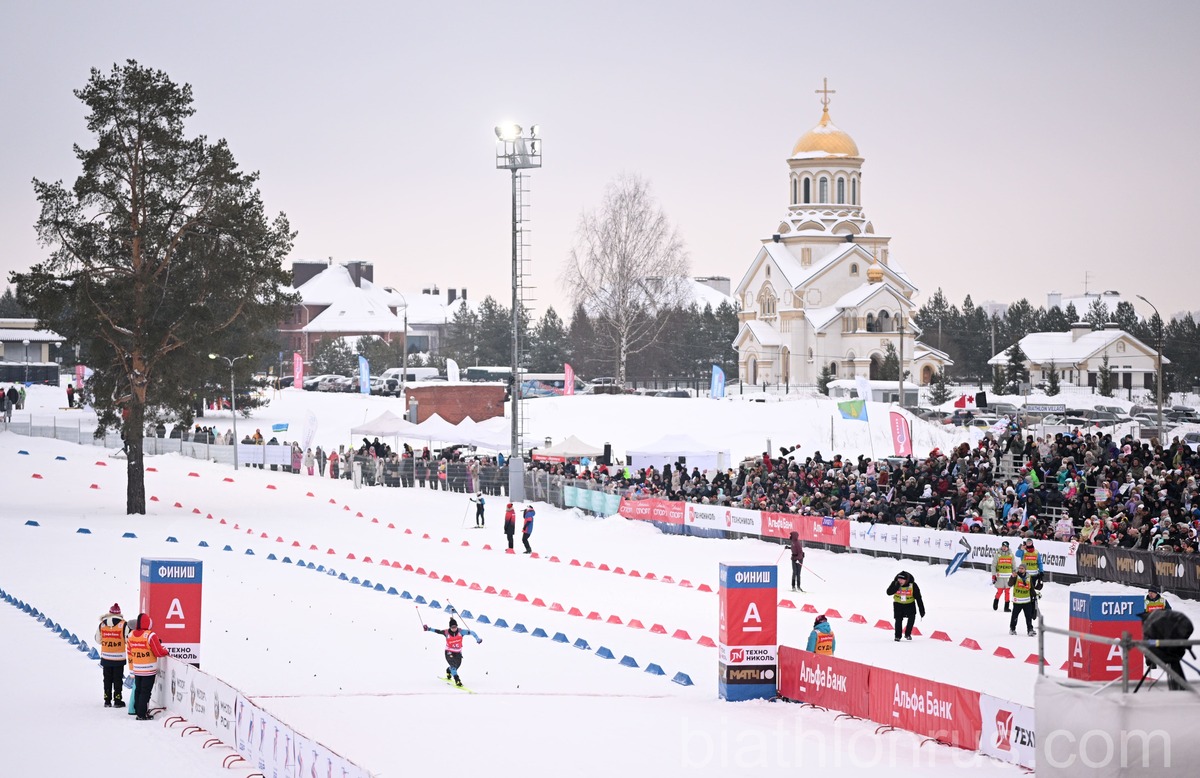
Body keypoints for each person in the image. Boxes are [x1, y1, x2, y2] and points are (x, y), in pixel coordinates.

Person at [126, 612, 168, 720]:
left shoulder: (131, 635)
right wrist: (166, 651)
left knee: (138, 690)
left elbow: (129, 652)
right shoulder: (150, 635)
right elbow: (158, 652)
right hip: (148, 670)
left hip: (137, 668)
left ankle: (137, 710)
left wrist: (131, 669)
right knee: (145, 692)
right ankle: (142, 714)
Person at [423, 617, 481, 687]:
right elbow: (437, 631)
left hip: (458, 652)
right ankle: (457, 680)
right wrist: (428, 629)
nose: (454, 628)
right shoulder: (446, 632)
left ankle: (448, 670)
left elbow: (472, 632)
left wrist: (477, 639)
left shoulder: (461, 632)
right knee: (453, 666)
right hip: (449, 651)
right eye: (452, 627)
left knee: (456, 667)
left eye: (455, 627)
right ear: (450, 627)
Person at [94, 603, 126, 708]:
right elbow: (128, 639)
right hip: (119, 658)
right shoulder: (123, 624)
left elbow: (98, 640)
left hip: (106, 657)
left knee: (107, 678)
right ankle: (117, 700)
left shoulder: (102, 625)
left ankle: (107, 700)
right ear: (120, 613)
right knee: (118, 679)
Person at [886, 570, 925, 642]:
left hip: (910, 604)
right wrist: (896, 587)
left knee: (912, 618)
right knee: (898, 620)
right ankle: (897, 636)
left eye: (902, 579)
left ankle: (907, 634)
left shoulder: (913, 585)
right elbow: (888, 592)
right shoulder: (895, 583)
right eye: (899, 579)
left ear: (906, 580)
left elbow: (918, 598)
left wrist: (921, 610)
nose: (900, 581)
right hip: (898, 604)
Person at [1007, 563, 1039, 637]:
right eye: (1019, 568)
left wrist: (1034, 595)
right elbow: (1010, 584)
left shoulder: (1028, 577)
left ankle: (1030, 630)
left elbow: (1031, 588)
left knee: (1028, 616)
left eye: (1022, 568)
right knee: (1015, 616)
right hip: (1017, 601)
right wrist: (1012, 577)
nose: (1020, 570)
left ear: (1025, 569)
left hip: (1027, 601)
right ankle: (1012, 629)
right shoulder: (1016, 576)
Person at [991, 540, 1015, 612]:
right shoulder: (997, 555)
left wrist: (1014, 574)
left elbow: (1014, 565)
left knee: (1007, 591)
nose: (1004, 548)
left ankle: (1006, 607)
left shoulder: (1011, 555)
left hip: (1008, 577)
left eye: (1006, 546)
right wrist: (993, 575)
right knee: (1000, 591)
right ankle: (996, 601)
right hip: (1000, 576)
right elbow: (993, 565)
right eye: (1003, 546)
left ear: (1008, 547)